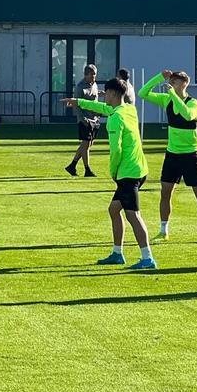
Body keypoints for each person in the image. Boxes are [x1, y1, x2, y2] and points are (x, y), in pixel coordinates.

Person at [63, 78, 156, 270]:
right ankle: (117, 253)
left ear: (112, 93)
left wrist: (113, 173)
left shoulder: (115, 119)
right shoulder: (129, 109)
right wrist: (79, 102)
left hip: (128, 173)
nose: (103, 95)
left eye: (106, 92)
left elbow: (116, 151)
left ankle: (147, 258)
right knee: (114, 210)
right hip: (140, 168)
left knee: (133, 215)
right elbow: (105, 108)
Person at [139, 70, 197, 244]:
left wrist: (172, 94)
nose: (170, 84)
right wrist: (159, 77)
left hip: (191, 154)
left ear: (184, 83)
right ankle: (164, 231)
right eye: (170, 81)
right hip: (172, 154)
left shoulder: (193, 103)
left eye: (174, 81)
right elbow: (143, 93)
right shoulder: (167, 100)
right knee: (165, 193)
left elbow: (187, 114)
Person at [65, 64, 100, 177]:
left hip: (94, 119)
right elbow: (76, 105)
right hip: (85, 119)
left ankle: (72, 165)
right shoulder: (80, 87)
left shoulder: (94, 84)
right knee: (85, 144)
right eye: (92, 74)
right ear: (85, 75)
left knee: (88, 144)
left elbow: (94, 99)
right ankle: (87, 169)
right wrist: (82, 119)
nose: (94, 77)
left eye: (95, 74)